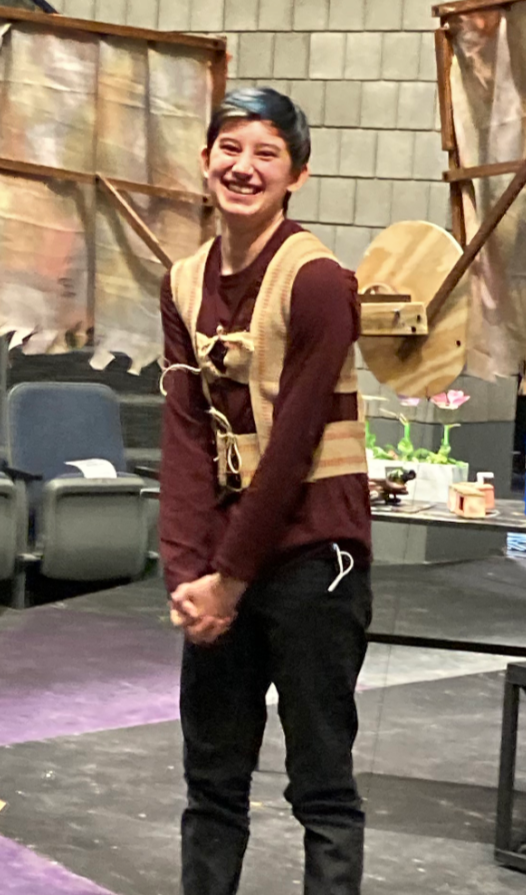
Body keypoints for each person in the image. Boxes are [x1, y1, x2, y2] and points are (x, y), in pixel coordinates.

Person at [159, 87, 373, 895]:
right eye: (230, 148)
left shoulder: (317, 281)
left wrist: (230, 578)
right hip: (222, 563)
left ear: (297, 175)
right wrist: (189, 574)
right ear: (205, 158)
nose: (243, 167)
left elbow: (292, 449)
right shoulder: (183, 282)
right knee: (212, 782)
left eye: (266, 153)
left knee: (321, 782)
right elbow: (185, 436)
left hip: (315, 556)